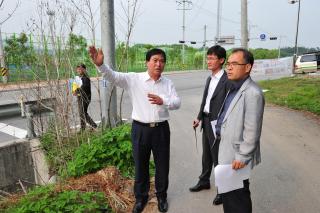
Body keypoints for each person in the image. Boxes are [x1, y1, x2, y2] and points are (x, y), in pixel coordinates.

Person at [89, 46, 181, 213]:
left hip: (161, 129)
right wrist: (101, 66)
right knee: (141, 164)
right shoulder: (134, 79)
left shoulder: (168, 83)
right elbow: (113, 77)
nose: (159, 64)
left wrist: (164, 100)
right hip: (140, 129)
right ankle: (141, 198)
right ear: (147, 62)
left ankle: (161, 196)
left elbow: (177, 102)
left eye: (162, 61)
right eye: (155, 60)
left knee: (162, 165)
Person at [215, 48, 265, 213]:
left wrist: (243, 156)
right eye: (228, 64)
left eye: (234, 64)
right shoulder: (234, 87)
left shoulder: (253, 93)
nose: (229, 67)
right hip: (226, 149)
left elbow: (252, 129)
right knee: (230, 197)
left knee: (238, 199)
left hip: (236, 157)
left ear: (248, 67)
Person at [189, 45, 230, 206]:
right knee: (207, 154)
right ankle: (204, 180)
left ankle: (223, 190)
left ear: (221, 60)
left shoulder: (227, 80)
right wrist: (199, 117)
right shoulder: (210, 78)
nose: (209, 61)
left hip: (217, 124)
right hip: (206, 121)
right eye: (208, 58)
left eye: (212, 58)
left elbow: (228, 105)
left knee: (218, 157)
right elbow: (206, 101)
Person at [74, 64, 97, 131]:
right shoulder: (79, 77)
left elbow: (84, 87)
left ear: (84, 70)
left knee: (83, 113)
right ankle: (83, 128)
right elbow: (76, 85)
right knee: (81, 113)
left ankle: (93, 125)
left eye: (80, 69)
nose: (78, 70)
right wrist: (74, 90)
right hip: (80, 97)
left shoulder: (85, 77)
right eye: (77, 69)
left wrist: (77, 90)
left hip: (85, 98)